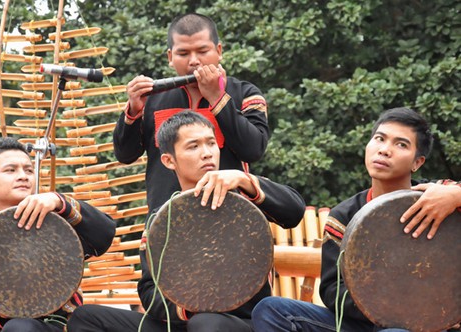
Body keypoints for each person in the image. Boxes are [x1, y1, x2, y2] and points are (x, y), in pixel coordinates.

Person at [67, 110, 306, 331]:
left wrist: (243, 179)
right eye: (193, 146)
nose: (207, 153)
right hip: (184, 320)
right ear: (169, 161)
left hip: (239, 323)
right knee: (85, 318)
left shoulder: (245, 198)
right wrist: (187, 307)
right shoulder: (162, 218)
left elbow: (294, 211)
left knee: (207, 324)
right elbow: (149, 291)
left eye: (211, 143)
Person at [251, 107, 461, 331]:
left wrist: (456, 195)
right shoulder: (344, 215)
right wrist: (389, 306)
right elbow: (333, 289)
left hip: (428, 325)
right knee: (271, 310)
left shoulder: (437, 197)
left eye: (401, 144)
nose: (385, 150)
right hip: (361, 323)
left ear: (417, 162)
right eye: (379, 139)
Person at [113, 12, 269, 212]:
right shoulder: (152, 98)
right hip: (167, 221)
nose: (194, 61)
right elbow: (124, 155)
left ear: (219, 51)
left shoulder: (245, 94)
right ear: (170, 57)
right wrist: (134, 110)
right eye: (183, 53)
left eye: (202, 51)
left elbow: (253, 149)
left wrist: (218, 98)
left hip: (230, 219)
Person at [0, 137, 117, 331]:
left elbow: (104, 234)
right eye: (11, 170)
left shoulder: (57, 224)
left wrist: (59, 201)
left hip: (59, 325)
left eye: (28, 170)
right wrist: (3, 312)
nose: (23, 176)